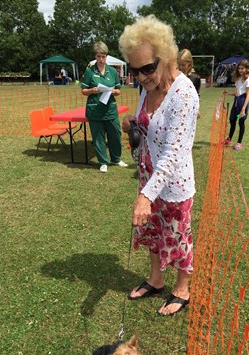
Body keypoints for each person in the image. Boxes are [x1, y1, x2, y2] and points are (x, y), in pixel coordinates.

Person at [119, 15, 199, 316]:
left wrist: (145, 196)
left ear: (164, 57)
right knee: (152, 232)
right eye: (135, 70)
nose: (141, 77)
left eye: (148, 68)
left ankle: (182, 288)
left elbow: (174, 153)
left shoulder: (184, 94)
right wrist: (132, 123)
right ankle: (155, 279)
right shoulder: (146, 89)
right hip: (148, 178)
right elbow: (148, 126)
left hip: (173, 183)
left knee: (178, 236)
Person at [81, 41, 128, 172]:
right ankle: (103, 162)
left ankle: (116, 158)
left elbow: (118, 90)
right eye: (98, 56)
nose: (101, 59)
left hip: (110, 109)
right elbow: (83, 91)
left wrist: (114, 91)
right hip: (95, 110)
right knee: (98, 137)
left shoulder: (112, 71)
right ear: (95, 56)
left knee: (115, 135)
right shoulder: (89, 71)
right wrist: (92, 90)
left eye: (103, 56)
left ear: (106, 56)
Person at [224, 60, 249, 150]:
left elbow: (247, 95)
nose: (240, 70)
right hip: (236, 104)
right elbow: (237, 93)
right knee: (232, 120)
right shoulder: (238, 79)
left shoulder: (248, 80)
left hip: (242, 104)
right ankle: (229, 140)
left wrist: (243, 109)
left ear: (247, 69)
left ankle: (239, 143)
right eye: (239, 68)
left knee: (241, 122)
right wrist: (228, 94)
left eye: (242, 68)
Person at [177, 49, 201, 119]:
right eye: (179, 64)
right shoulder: (174, 75)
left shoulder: (195, 78)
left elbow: (197, 96)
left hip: (188, 113)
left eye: (183, 65)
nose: (180, 67)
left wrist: (197, 109)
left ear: (189, 63)